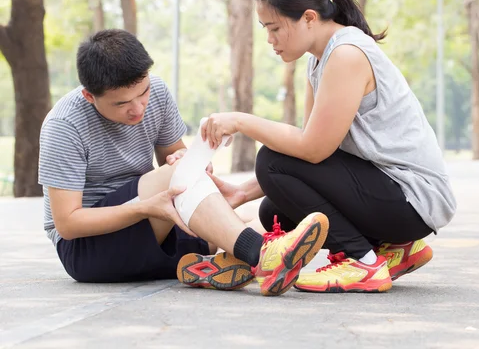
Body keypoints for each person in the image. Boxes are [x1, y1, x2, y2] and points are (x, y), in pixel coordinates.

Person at [197, 0, 457, 293]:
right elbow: (307, 153)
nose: (269, 39)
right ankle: (396, 250)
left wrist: (240, 120)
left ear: (308, 18)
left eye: (275, 28)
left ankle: (362, 262)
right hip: (393, 196)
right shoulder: (319, 59)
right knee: (275, 209)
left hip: (413, 199)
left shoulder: (347, 54)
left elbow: (312, 149)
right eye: (265, 28)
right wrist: (243, 193)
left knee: (270, 161)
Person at [39, 29, 329, 296]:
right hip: (89, 249)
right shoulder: (65, 125)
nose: (138, 108)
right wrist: (145, 207)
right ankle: (261, 256)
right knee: (226, 222)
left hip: (152, 228)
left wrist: (190, 163)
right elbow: (68, 225)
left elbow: (179, 161)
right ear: (89, 96)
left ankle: (212, 266)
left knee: (253, 219)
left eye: (143, 93)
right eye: (121, 103)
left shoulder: (158, 93)